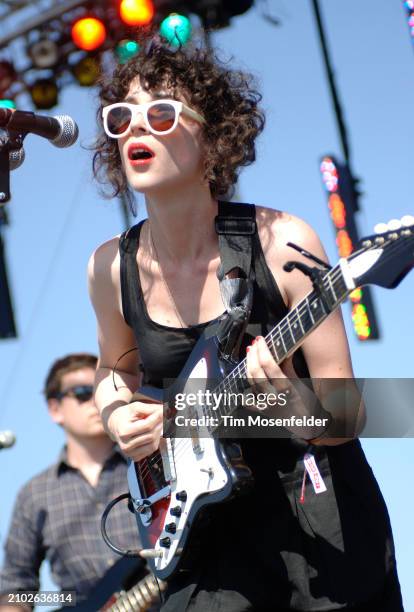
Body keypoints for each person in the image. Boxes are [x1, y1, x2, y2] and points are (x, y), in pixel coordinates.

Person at [87, 37, 404, 611]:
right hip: (206, 535)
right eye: (122, 116)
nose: (137, 126)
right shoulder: (111, 265)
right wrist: (116, 413)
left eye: (161, 112)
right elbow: (113, 368)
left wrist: (283, 403)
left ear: (212, 139)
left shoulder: (282, 242)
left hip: (315, 516)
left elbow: (349, 414)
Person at [0, 353, 150, 611]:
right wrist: (67, 602)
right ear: (55, 410)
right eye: (82, 393)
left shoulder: (149, 462)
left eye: (102, 390)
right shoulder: (34, 494)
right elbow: (16, 588)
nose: (95, 401)